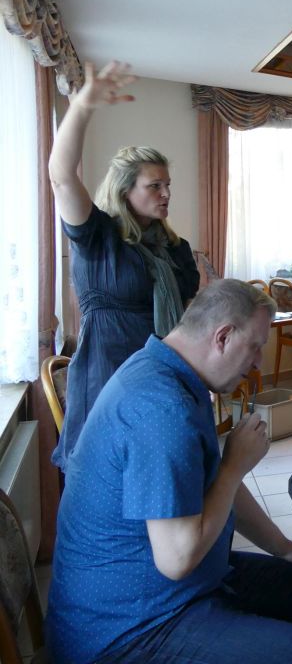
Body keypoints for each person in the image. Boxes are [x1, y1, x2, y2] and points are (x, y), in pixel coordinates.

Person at [46, 279, 292, 664]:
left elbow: (213, 483)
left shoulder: (167, 368)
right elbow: (177, 559)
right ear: (223, 337)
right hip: (122, 630)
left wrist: (285, 548)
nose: (258, 362)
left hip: (156, 592)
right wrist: (235, 466)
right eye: (255, 347)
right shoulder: (163, 410)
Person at [47, 61, 200, 472]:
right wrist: (82, 106)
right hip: (108, 380)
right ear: (125, 190)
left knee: (164, 479)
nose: (166, 193)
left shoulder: (175, 248)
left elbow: (187, 317)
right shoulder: (99, 237)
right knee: (112, 480)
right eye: (155, 186)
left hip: (164, 379)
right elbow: (61, 177)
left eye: (168, 185)